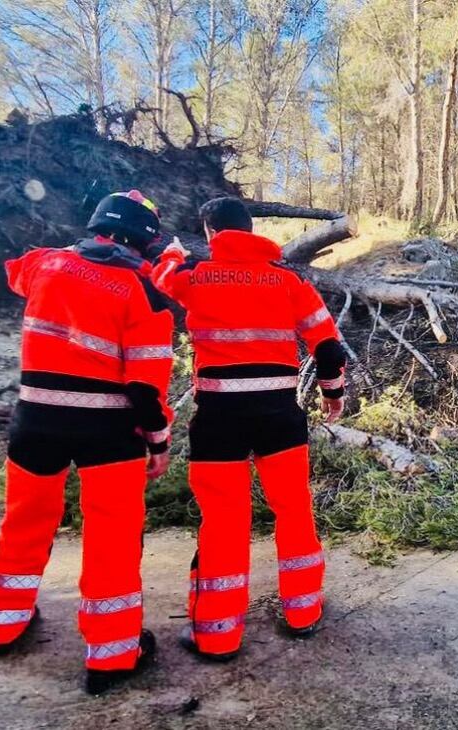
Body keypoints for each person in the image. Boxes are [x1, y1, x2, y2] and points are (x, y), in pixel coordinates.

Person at [0, 189, 175, 695]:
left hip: (35, 422)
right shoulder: (146, 292)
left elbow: (14, 269)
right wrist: (159, 442)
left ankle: (5, 624)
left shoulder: (45, 264)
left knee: (24, 522)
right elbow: (145, 387)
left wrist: (69, 261)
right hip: (108, 434)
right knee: (112, 537)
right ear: (146, 239)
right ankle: (112, 655)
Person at [150, 196, 345, 661]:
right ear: (252, 229)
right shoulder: (288, 281)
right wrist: (331, 395)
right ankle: (303, 612)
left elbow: (158, 280)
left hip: (219, 421)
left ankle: (217, 633)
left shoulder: (194, 277)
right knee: (294, 511)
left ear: (212, 233)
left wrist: (173, 254)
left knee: (223, 521)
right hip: (279, 419)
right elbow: (329, 348)